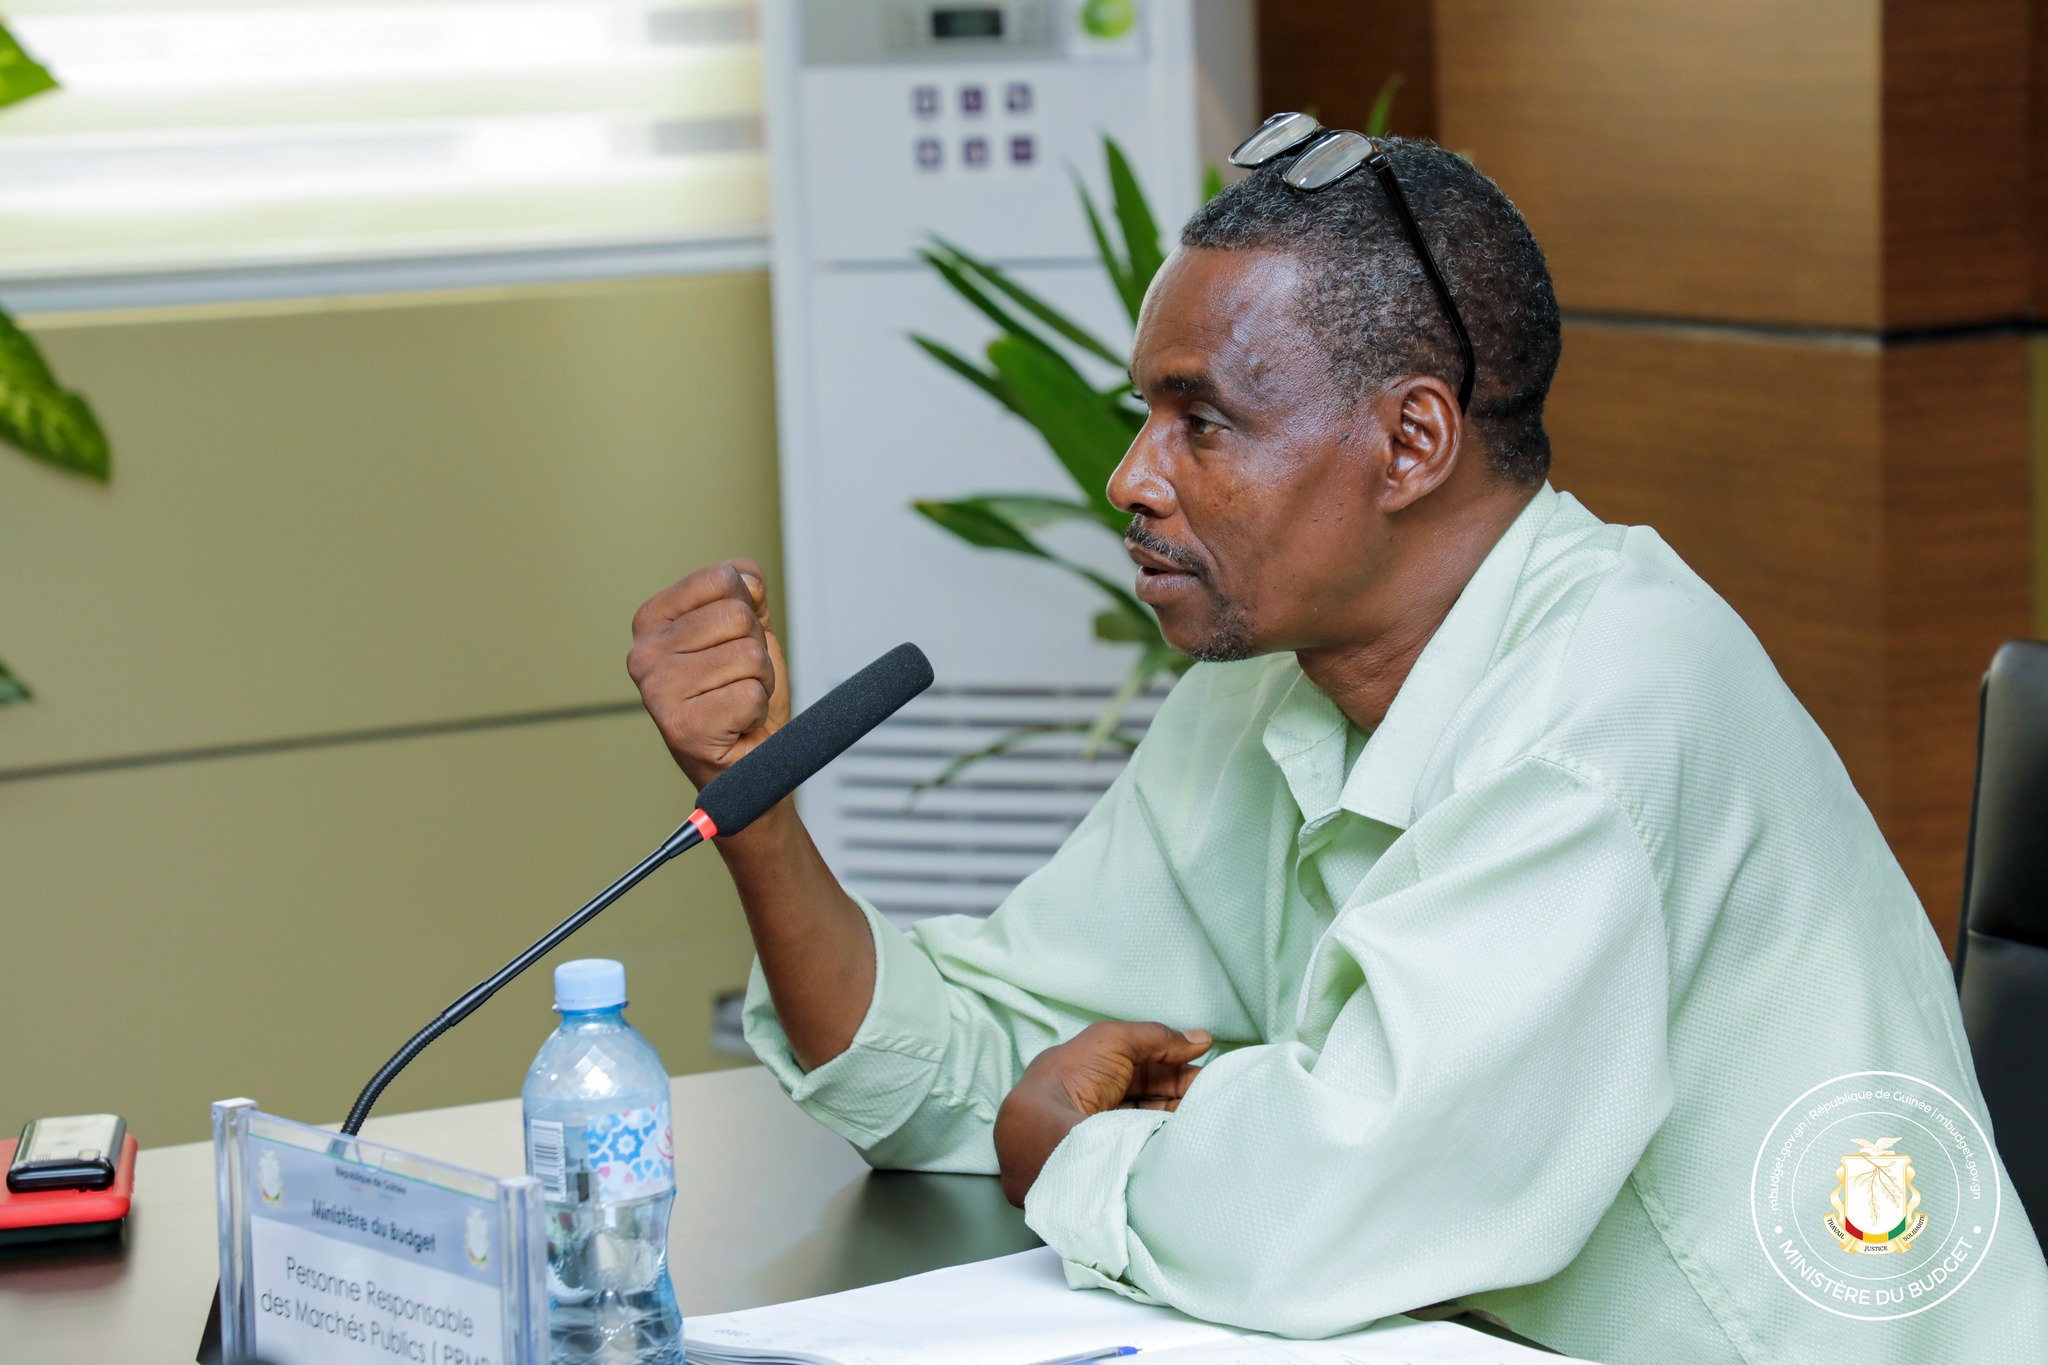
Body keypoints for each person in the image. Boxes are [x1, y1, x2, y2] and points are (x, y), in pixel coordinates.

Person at [626, 131, 2048, 1363]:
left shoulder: (1604, 705)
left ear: (1412, 440)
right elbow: (971, 1069)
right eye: (1143, 416)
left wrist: (1089, 1142)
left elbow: (1337, 1198)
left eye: (1202, 422)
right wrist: (759, 802)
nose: (1130, 478)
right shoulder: (1268, 685)